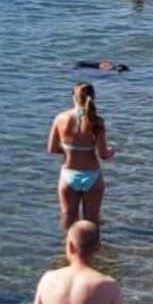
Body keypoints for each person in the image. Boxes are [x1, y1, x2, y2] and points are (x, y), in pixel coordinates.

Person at [48, 84, 115, 228]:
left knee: (68, 219)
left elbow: (52, 149)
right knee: (92, 221)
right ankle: (93, 243)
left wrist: (69, 150)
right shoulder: (97, 121)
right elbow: (103, 154)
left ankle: (69, 242)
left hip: (69, 175)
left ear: (73, 96)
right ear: (93, 98)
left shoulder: (60, 118)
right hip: (92, 176)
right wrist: (113, 150)